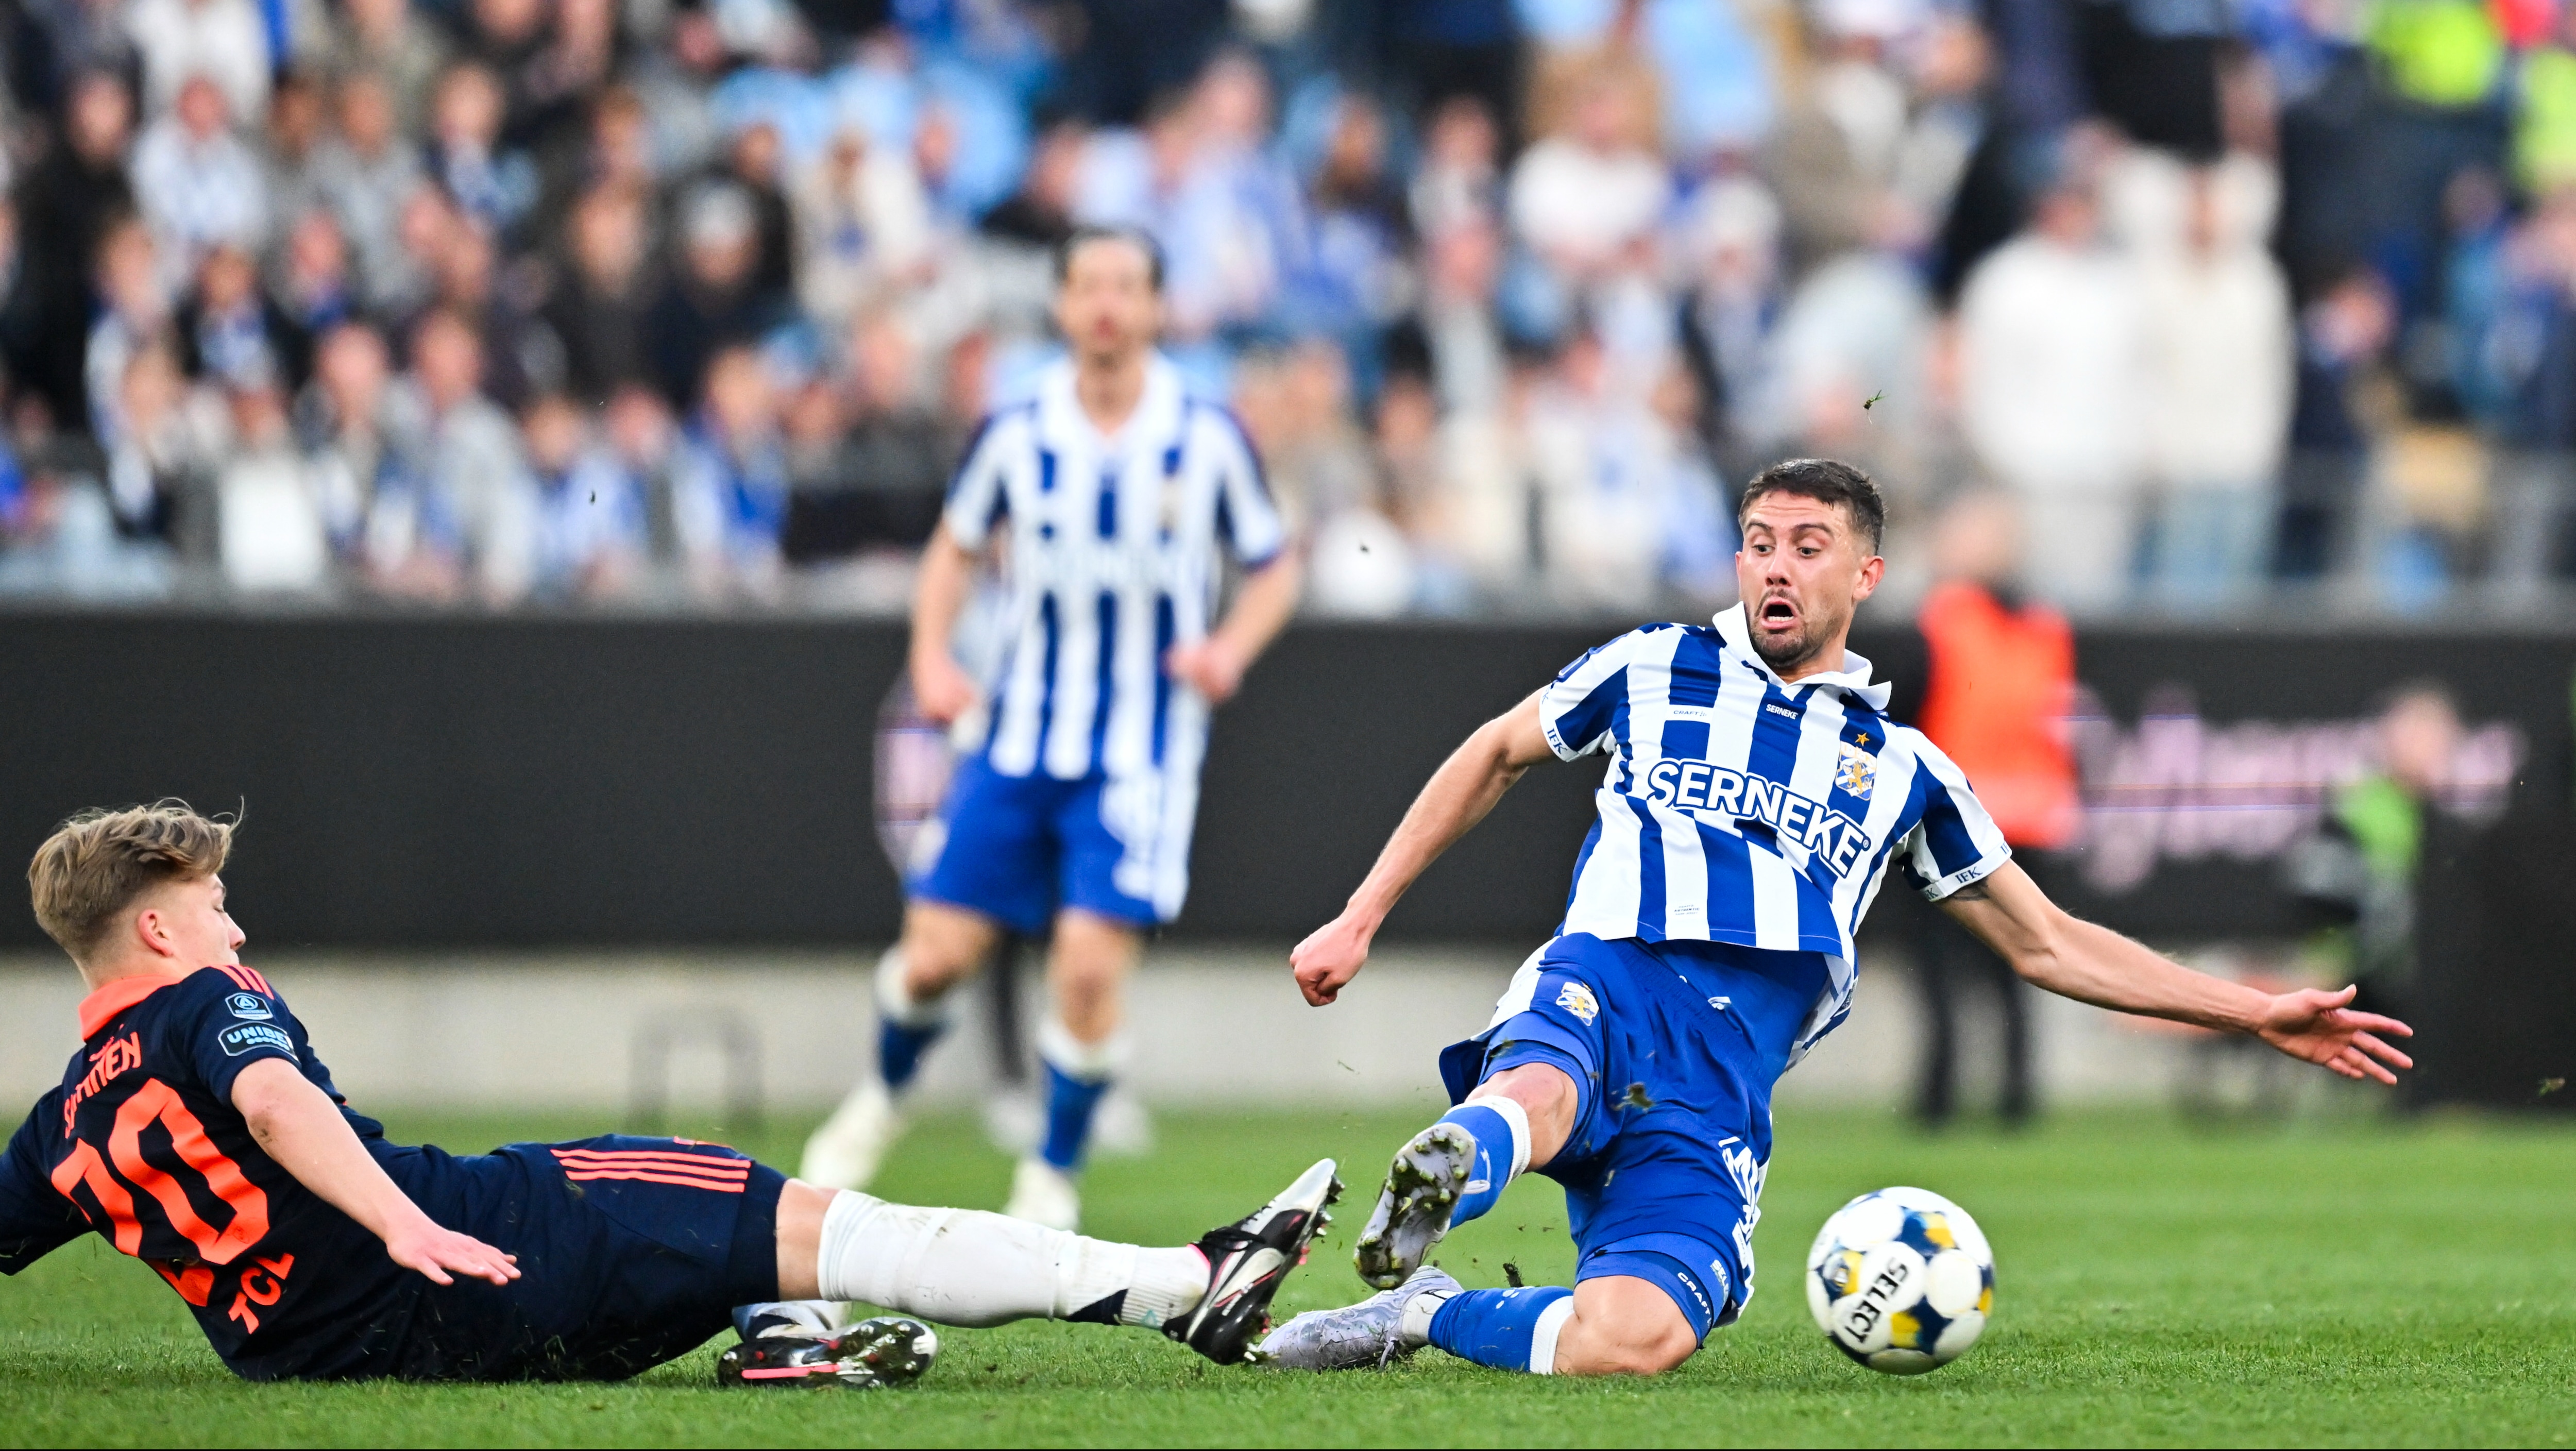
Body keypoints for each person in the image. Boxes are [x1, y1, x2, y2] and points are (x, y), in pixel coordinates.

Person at [1258, 458, 2414, 1377]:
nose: (1775, 567)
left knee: (1636, 1339)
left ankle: (1427, 1313)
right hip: (1608, 974)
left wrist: (2254, 1010)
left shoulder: (1907, 769)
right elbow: (1498, 749)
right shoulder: (1655, 663)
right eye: (1758, 543)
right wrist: (1360, 915)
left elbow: (2047, 939)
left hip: (1721, 1079)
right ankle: (1459, 1167)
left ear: (1863, 575)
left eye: (1808, 547)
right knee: (1537, 1095)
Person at [0, 802, 1336, 1383]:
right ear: (161, 935)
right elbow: (278, 1104)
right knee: (824, 1218)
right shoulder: (209, 1003)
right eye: (215, 911)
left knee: (720, 1249)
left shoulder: (61, 1122)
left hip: (336, 1353)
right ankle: (1183, 1284)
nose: (237, 935)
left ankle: (781, 1338)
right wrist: (397, 1223)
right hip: (482, 1252)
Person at [799, 226, 1302, 1231]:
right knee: (935, 954)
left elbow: (1274, 564)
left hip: (1142, 752)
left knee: (1083, 970)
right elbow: (950, 551)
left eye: (1128, 285)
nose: (1108, 304)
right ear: (1063, 306)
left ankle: (1052, 1172)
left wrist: (1230, 649)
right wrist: (936, 657)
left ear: (1157, 308)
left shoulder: (1203, 437)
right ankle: (882, 1096)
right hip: (1017, 735)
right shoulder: (1018, 433)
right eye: (1090, 286)